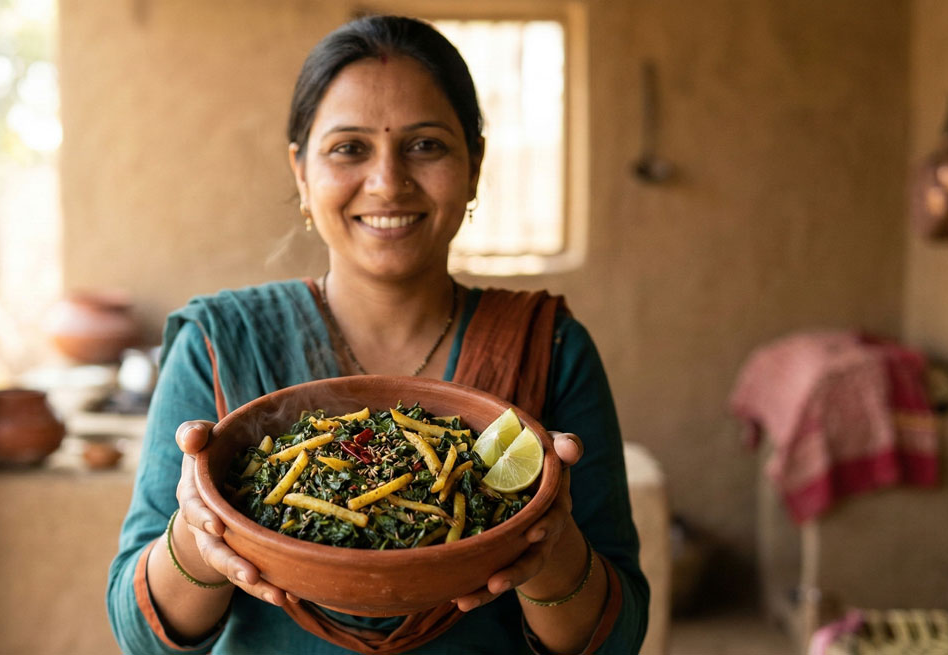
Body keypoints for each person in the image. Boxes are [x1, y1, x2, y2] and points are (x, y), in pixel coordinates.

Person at [107, 15, 648, 655]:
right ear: (302, 173)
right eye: (348, 148)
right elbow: (141, 634)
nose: (388, 181)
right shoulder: (219, 342)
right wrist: (198, 535)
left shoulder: (549, 344)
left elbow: (617, 638)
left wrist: (548, 548)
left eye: (426, 145)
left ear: (473, 166)